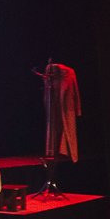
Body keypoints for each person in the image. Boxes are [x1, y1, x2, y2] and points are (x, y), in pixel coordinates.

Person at [35, 59, 80, 194]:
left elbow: (73, 94)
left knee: (64, 123)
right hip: (55, 103)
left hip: (66, 105)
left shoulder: (68, 74)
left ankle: (61, 150)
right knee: (53, 126)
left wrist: (78, 109)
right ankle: (53, 150)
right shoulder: (50, 78)